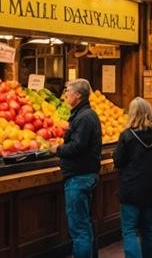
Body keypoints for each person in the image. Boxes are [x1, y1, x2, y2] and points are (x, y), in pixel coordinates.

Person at [50, 78, 102, 258]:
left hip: (79, 177)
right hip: (85, 175)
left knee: (79, 229)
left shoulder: (84, 117)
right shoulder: (85, 114)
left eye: (68, 91)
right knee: (85, 225)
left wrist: (58, 149)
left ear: (78, 95)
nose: (65, 94)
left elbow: (78, 147)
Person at [113, 97, 152, 258]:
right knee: (148, 230)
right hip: (151, 188)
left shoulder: (127, 135)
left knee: (129, 230)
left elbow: (118, 160)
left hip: (130, 188)